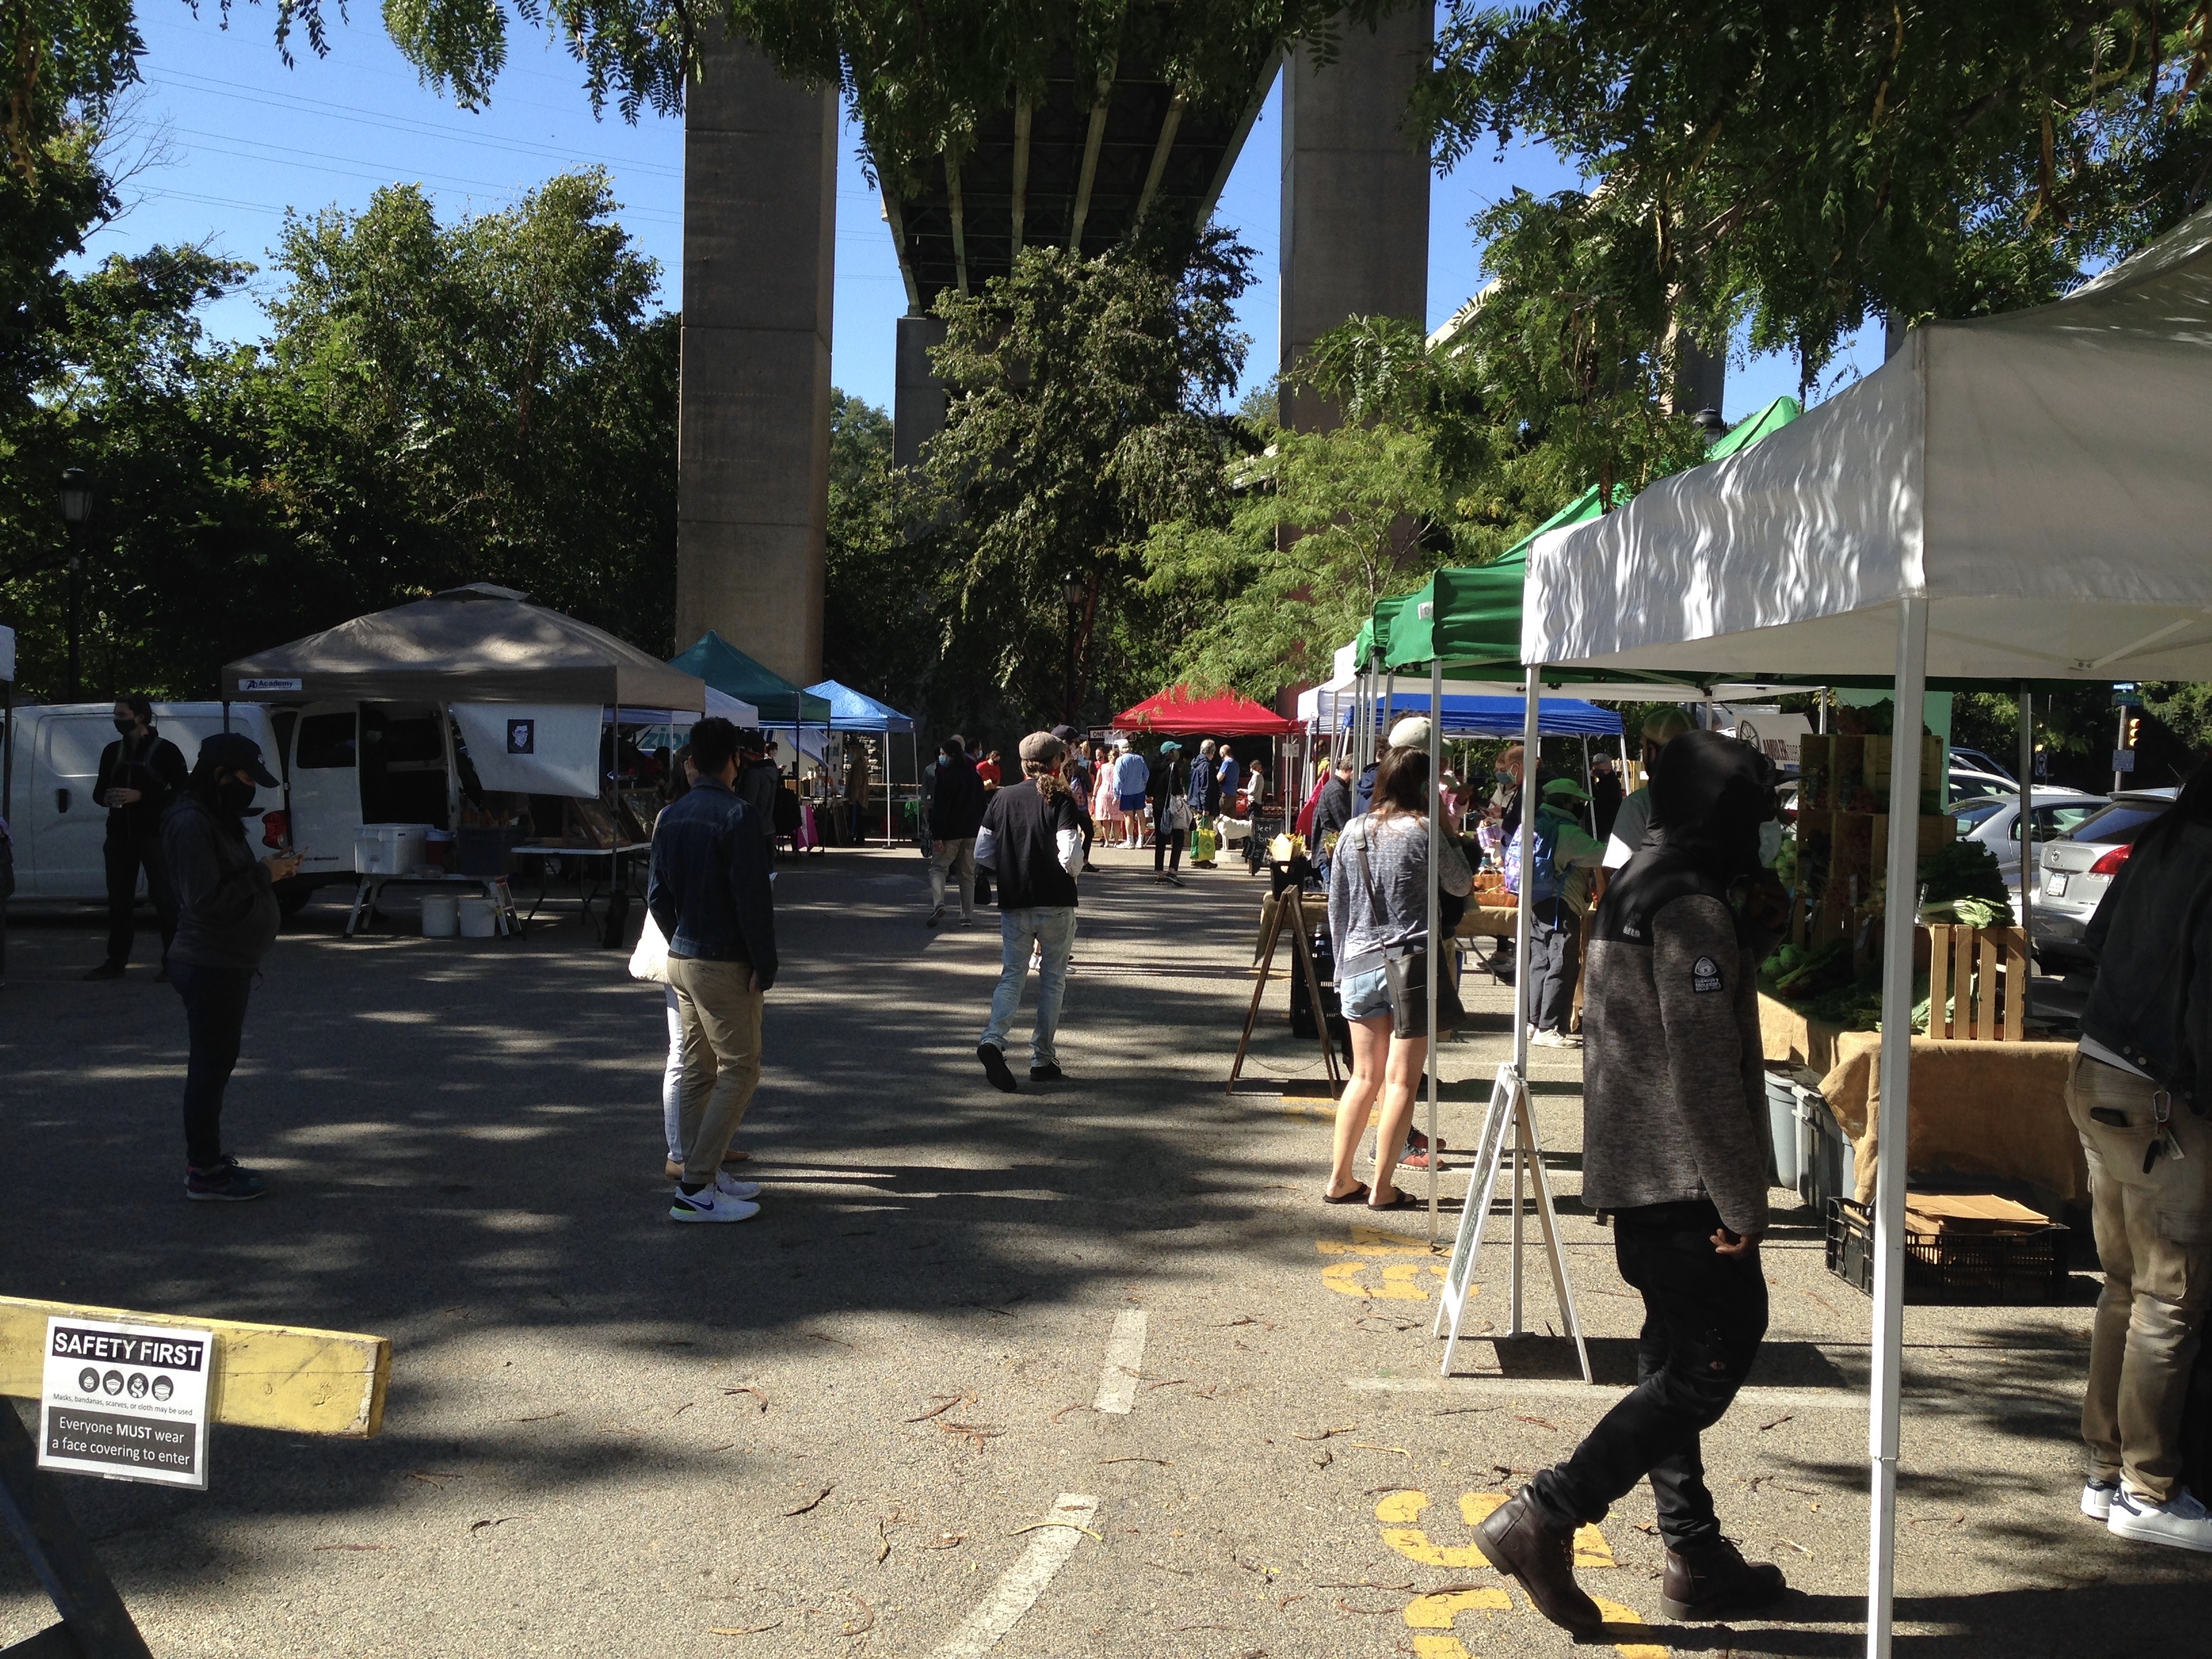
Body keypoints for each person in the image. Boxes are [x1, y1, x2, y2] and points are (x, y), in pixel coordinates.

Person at [1474, 729, 1786, 1636]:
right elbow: (1700, 1063)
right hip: (1681, 1180)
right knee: (1708, 1364)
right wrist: (1742, 1201)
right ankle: (1550, 1510)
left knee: (1670, 1354)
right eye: (1750, 815)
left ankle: (1693, 1551)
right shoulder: (1688, 903)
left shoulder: (1641, 880)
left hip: (1641, 1171)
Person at [2068, 756, 2212, 1550]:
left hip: (2099, 1070)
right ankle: (2148, 1490)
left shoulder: (2162, 837)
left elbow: (2096, 941)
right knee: (2169, 1297)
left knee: (2125, 1286)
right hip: (2163, 1096)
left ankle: (2107, 1472)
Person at [1323, 745, 1472, 1210]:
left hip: (1359, 964)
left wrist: (1342, 966)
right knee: (1402, 1082)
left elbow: (1338, 905)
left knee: (1363, 1077)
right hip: (1413, 966)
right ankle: (1383, 1187)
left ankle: (1340, 1179)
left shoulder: (1353, 831)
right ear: (1425, 787)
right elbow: (1461, 884)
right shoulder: (1425, 830)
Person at [647, 716, 777, 1223]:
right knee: (741, 1069)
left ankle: (703, 1171)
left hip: (682, 956)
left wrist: (684, 933)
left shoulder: (670, 815)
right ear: (736, 762)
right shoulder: (738, 816)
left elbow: (657, 896)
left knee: (700, 1069)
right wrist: (762, 965)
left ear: (693, 762)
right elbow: (753, 902)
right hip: (723, 960)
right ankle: (698, 1186)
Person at [161, 733, 300, 1200]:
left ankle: (210, 1161)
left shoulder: (213, 816)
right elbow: (204, 899)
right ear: (219, 774)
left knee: (215, 1066)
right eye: (245, 777)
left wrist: (268, 871)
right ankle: (203, 1172)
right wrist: (266, 874)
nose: (250, 787)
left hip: (226, 961)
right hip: (209, 962)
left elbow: (229, 880)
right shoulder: (189, 821)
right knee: (209, 1069)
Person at [973, 732, 1086, 1090]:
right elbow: (1069, 855)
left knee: (1012, 975)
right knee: (1053, 980)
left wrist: (1008, 869)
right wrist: (1074, 872)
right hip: (1055, 902)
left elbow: (982, 852)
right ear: (1058, 762)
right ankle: (1042, 1057)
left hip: (1014, 901)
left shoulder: (1001, 797)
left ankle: (993, 1039)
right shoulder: (1061, 797)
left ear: (1022, 764)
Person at [85, 695, 190, 981]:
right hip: (119, 835)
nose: (117, 719)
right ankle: (116, 962)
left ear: (140, 717)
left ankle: (173, 963)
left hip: (154, 834)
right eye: (116, 714)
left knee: (165, 900)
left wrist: (142, 796)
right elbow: (98, 792)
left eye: (122, 714)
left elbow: (182, 790)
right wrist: (106, 797)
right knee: (119, 902)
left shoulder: (165, 751)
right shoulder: (112, 751)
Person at [1523, 777, 1608, 1048]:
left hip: (1536, 901)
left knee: (1539, 963)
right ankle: (1549, 1027)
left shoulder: (1535, 823)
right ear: (1566, 802)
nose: (1581, 805)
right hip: (1562, 903)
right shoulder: (1568, 832)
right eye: (1578, 801)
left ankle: (1533, 1022)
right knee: (1562, 963)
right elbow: (1604, 856)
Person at [1603, 707, 1696, 869]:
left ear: (1653, 751)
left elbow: (1617, 871)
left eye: (1643, 747)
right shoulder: (1717, 799)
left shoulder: (1640, 803)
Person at [926, 735, 986, 928]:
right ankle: (967, 915)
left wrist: (937, 835)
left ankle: (939, 903)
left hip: (950, 831)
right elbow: (981, 805)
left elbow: (941, 808)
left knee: (938, 868)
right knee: (968, 874)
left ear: (951, 755)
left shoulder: (945, 776)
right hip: (971, 831)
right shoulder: (974, 775)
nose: (941, 757)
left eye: (943, 754)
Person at [1149, 741, 1192, 885]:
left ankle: (1159, 873)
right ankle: (1172, 871)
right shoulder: (1173, 767)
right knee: (1178, 836)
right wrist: (1181, 792)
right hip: (1171, 807)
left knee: (1160, 838)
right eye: (1175, 750)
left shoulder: (1154, 767)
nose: (1177, 753)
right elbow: (1176, 788)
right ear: (1170, 753)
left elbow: (1148, 789)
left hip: (1158, 806)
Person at [1114, 738, 1149, 848]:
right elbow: (1146, 774)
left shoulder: (1120, 761)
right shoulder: (1139, 758)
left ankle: (1130, 841)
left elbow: (1118, 780)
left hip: (1126, 792)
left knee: (1128, 816)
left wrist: (1116, 794)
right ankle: (1141, 840)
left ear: (1121, 750)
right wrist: (1143, 785)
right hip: (1139, 790)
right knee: (1141, 814)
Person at [1590, 753, 1624, 842]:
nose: (1595, 768)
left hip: (1606, 828)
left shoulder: (1612, 784)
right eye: (1594, 765)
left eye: (1598, 765)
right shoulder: (1602, 782)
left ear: (1608, 766)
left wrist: (1591, 782)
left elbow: (1595, 798)